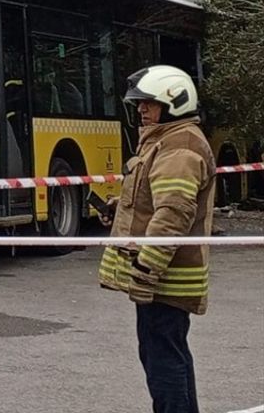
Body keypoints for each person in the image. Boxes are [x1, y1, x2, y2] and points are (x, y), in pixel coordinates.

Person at [98, 65, 213, 413]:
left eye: (148, 104)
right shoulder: (168, 140)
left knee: (163, 361)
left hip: (167, 278)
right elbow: (160, 199)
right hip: (165, 275)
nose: (141, 110)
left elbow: (173, 215)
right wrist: (121, 207)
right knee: (166, 353)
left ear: (174, 103)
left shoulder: (179, 146)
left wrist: (146, 269)